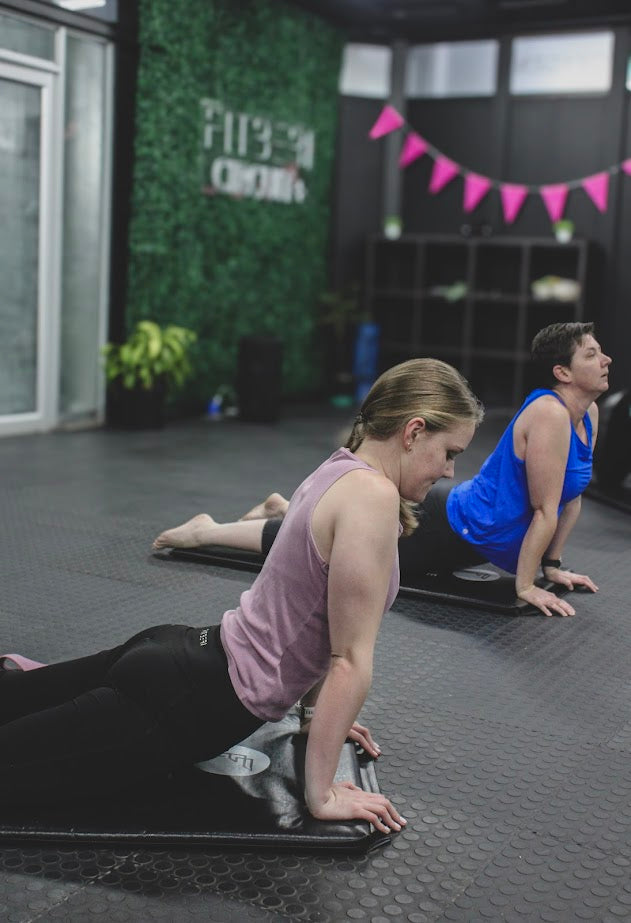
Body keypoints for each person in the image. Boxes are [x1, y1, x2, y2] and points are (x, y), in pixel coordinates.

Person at [1, 358, 483, 832]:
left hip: (178, 653)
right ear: (414, 431)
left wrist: (318, 717)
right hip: (191, 702)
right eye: (449, 452)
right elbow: (348, 660)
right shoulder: (374, 498)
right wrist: (323, 794)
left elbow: (315, 619)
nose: (449, 470)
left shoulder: (338, 469)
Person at [154, 322, 610, 619]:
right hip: (444, 528)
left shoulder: (585, 415)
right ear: (561, 372)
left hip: (470, 534)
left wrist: (551, 565)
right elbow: (544, 508)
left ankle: (284, 506)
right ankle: (207, 530)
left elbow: (571, 496)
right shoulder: (550, 415)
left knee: (329, 531)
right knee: (321, 547)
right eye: (591, 354)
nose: (605, 360)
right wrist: (527, 585)